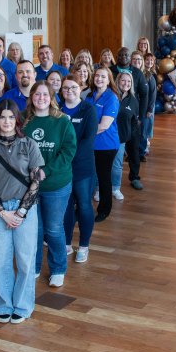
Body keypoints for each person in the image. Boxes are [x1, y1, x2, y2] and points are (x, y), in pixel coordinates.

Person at [0, 100, 43, 323]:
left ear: (17, 119)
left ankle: (23, 305)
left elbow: (36, 181)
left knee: (25, 260)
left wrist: (21, 212)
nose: (6, 122)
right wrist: (2, 212)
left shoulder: (29, 144)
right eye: (2, 117)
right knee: (1, 261)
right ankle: (4, 304)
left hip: (26, 209)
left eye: (11, 117)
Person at [24, 82, 76, 287]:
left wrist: (46, 170)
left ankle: (58, 269)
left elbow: (68, 151)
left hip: (56, 185)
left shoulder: (62, 121)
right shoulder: (24, 119)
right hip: (29, 186)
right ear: (31, 97)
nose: (41, 98)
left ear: (52, 97)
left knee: (53, 229)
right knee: (34, 230)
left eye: (45, 94)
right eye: (37, 94)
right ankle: (35, 267)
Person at [60, 74, 98, 263]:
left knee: (84, 204)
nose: (70, 91)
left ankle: (84, 246)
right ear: (61, 90)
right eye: (66, 88)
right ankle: (66, 243)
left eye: (73, 87)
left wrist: (66, 157)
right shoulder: (56, 109)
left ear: (80, 88)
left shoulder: (88, 110)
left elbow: (88, 140)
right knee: (66, 206)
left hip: (82, 167)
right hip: (62, 168)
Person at [89, 67, 120, 223]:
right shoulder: (90, 95)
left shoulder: (111, 97)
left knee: (103, 177)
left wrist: (83, 134)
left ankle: (104, 210)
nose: (99, 79)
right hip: (90, 145)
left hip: (106, 145)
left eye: (103, 76)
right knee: (89, 176)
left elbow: (103, 126)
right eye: (97, 76)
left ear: (109, 80)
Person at [111, 70, 143, 197]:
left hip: (125, 135)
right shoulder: (111, 96)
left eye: (129, 81)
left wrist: (131, 135)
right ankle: (99, 188)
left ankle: (123, 184)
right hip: (109, 135)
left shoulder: (133, 100)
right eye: (123, 80)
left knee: (122, 162)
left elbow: (135, 120)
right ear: (118, 80)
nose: (126, 83)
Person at [141, 52, 158, 156]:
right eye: (147, 60)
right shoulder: (142, 73)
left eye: (151, 60)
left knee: (146, 127)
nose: (149, 62)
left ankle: (144, 149)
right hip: (144, 105)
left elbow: (153, 93)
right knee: (143, 127)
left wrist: (150, 109)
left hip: (149, 106)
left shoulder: (151, 74)